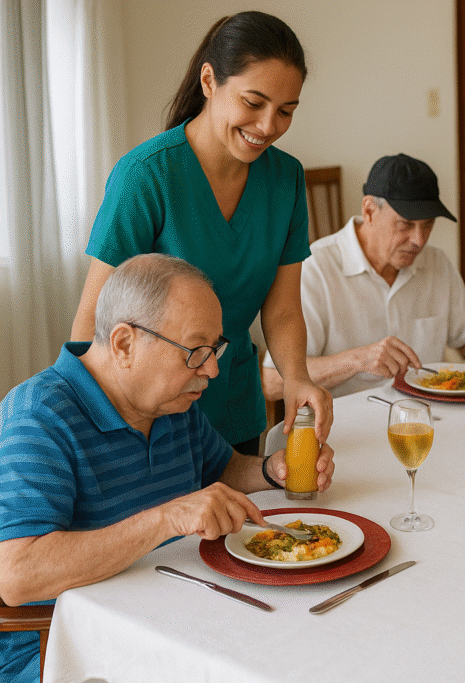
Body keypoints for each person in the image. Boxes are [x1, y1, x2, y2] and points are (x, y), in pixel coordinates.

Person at [0, 254, 335, 683]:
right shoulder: (40, 417)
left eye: (215, 348)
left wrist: (275, 470)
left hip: (176, 621)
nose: (212, 369)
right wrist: (167, 518)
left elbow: (221, 468)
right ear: (124, 344)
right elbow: (17, 574)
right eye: (196, 351)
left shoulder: (172, 402)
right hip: (68, 652)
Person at [69, 10, 332, 454]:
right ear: (209, 82)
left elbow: (283, 310)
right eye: (253, 103)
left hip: (234, 407)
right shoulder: (146, 176)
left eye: (286, 111)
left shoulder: (286, 180)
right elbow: (93, 322)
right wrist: (92, 433)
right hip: (146, 417)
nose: (268, 126)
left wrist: (297, 378)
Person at [261, 153, 465, 399]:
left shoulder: (436, 263)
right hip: (348, 426)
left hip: (428, 418)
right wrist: (357, 361)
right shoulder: (316, 267)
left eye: (428, 224)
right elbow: (272, 382)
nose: (419, 240)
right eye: (405, 224)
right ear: (369, 211)